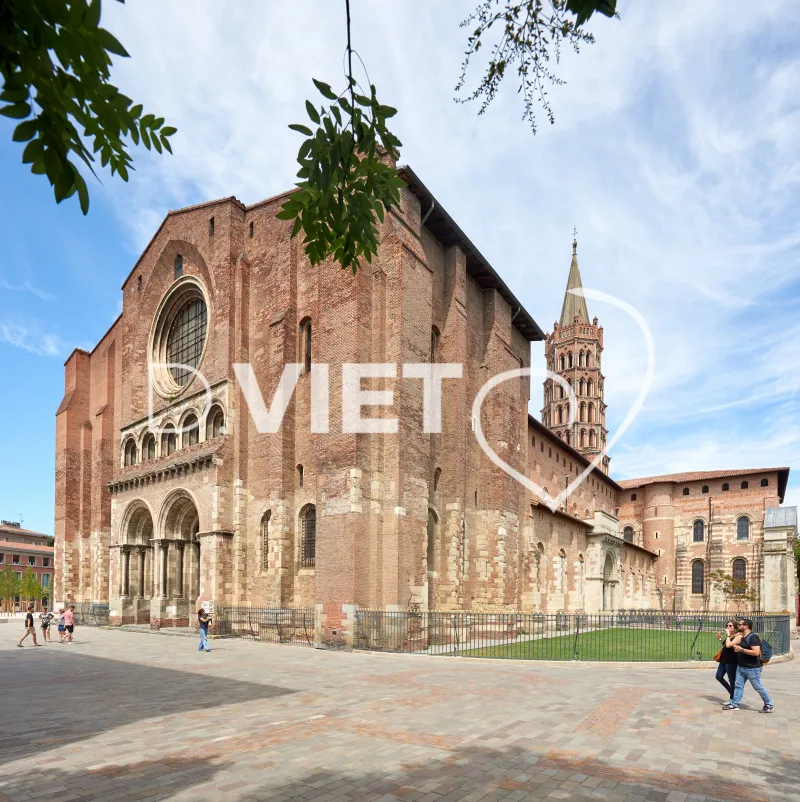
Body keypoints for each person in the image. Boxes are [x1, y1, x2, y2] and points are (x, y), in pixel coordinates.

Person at [723, 618, 774, 713]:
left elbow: (756, 652)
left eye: (739, 624)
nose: (737, 626)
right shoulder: (742, 637)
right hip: (741, 667)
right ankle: (735, 704)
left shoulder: (753, 637)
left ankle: (769, 704)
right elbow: (729, 645)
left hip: (752, 668)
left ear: (745, 626)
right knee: (738, 686)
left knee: (757, 687)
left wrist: (741, 649)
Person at [714, 620, 740, 701]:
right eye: (727, 625)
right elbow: (725, 645)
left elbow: (729, 646)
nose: (728, 627)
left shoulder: (738, 636)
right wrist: (721, 639)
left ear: (735, 627)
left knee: (732, 680)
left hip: (731, 661)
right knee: (718, 676)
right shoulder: (730, 636)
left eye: (730, 626)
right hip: (724, 659)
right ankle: (732, 692)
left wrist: (728, 635)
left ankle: (732, 698)